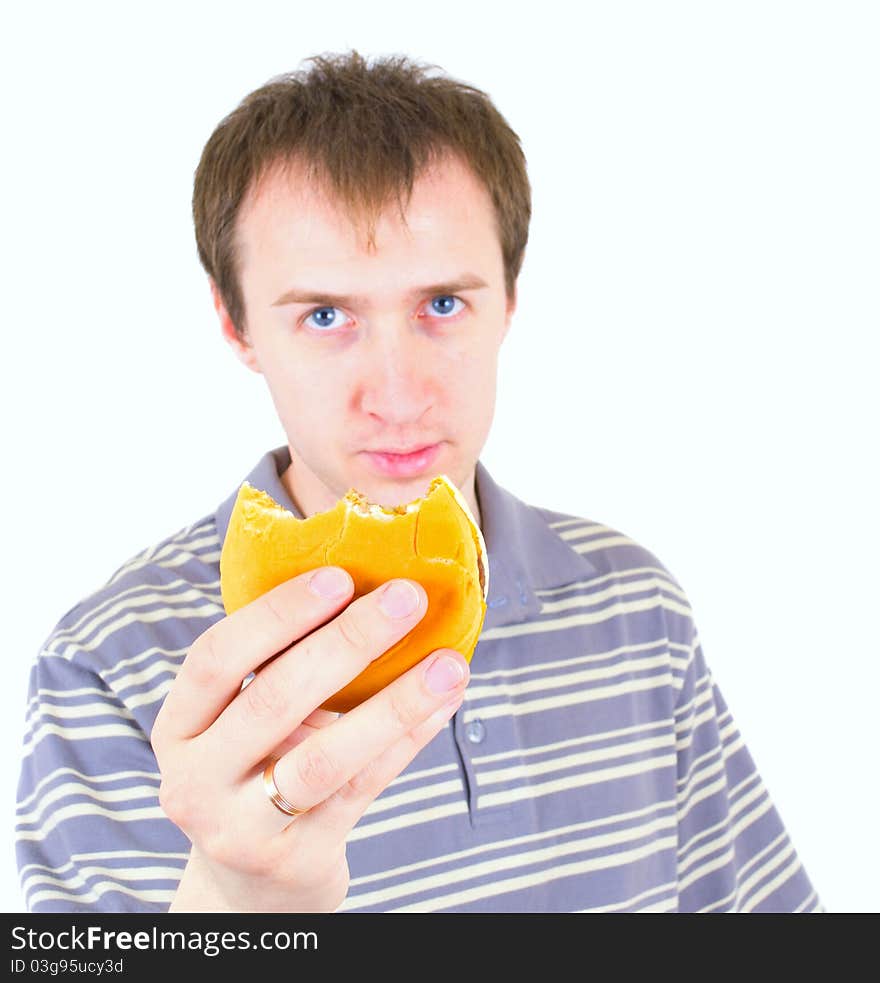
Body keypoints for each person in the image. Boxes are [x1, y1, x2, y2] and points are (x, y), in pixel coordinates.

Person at [15, 49, 822, 913]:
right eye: (325, 316)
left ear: (509, 299)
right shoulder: (104, 667)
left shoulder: (634, 605)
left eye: (443, 304)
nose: (398, 397)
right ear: (236, 323)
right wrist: (234, 901)